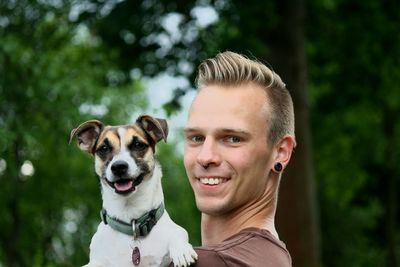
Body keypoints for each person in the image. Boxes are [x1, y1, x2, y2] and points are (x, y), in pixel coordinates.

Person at [183, 51, 296, 266]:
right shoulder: (274, 258)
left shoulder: (214, 262)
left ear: (281, 151)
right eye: (196, 138)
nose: (205, 157)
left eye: (232, 139)